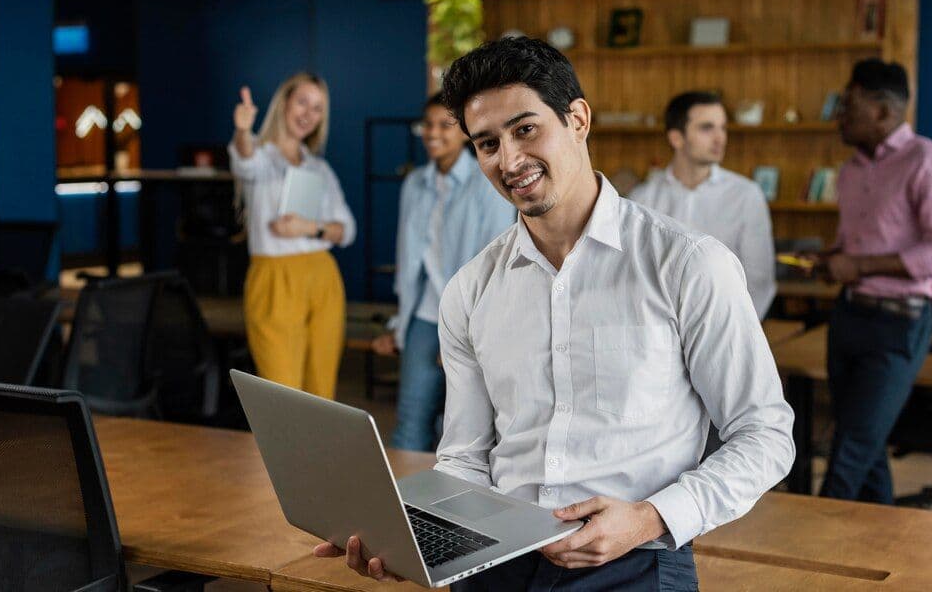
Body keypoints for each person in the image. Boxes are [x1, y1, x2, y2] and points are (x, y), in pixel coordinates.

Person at [316, 37, 794, 589]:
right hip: (494, 563)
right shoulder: (471, 289)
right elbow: (467, 457)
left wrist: (652, 517)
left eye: (525, 129)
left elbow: (764, 434)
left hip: (635, 561)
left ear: (578, 120)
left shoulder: (689, 264)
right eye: (487, 143)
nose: (510, 161)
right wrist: (408, 536)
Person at [813, 59, 932, 503]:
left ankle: (815, 541)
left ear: (882, 111)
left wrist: (858, 267)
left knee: (849, 452)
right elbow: (856, 247)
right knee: (867, 446)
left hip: (898, 324)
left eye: (849, 105)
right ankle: (885, 552)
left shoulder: (930, 162)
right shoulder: (851, 171)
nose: (840, 114)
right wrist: (833, 260)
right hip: (849, 317)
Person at [371, 93, 514, 452]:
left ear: (465, 131)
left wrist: (463, 333)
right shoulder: (414, 183)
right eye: (427, 125)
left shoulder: (487, 183)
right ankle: (402, 507)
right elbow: (408, 262)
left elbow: (494, 263)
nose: (433, 133)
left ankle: (444, 506)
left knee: (461, 430)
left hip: (469, 319)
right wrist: (398, 325)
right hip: (422, 316)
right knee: (410, 422)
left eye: (444, 125)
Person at [229, 73, 355, 399]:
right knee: (284, 395)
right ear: (284, 102)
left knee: (321, 393)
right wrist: (243, 130)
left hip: (322, 277)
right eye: (302, 102)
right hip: (274, 279)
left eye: (317, 108)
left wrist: (308, 228)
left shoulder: (319, 169)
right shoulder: (260, 157)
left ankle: (317, 452)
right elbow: (244, 160)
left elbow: (346, 230)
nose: (308, 114)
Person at [628, 91, 776, 318]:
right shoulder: (641, 199)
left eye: (723, 127)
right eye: (707, 128)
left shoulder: (746, 195)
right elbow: (633, 276)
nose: (720, 138)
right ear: (676, 138)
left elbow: (760, 280)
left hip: (728, 327)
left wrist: (736, 333)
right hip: (657, 333)